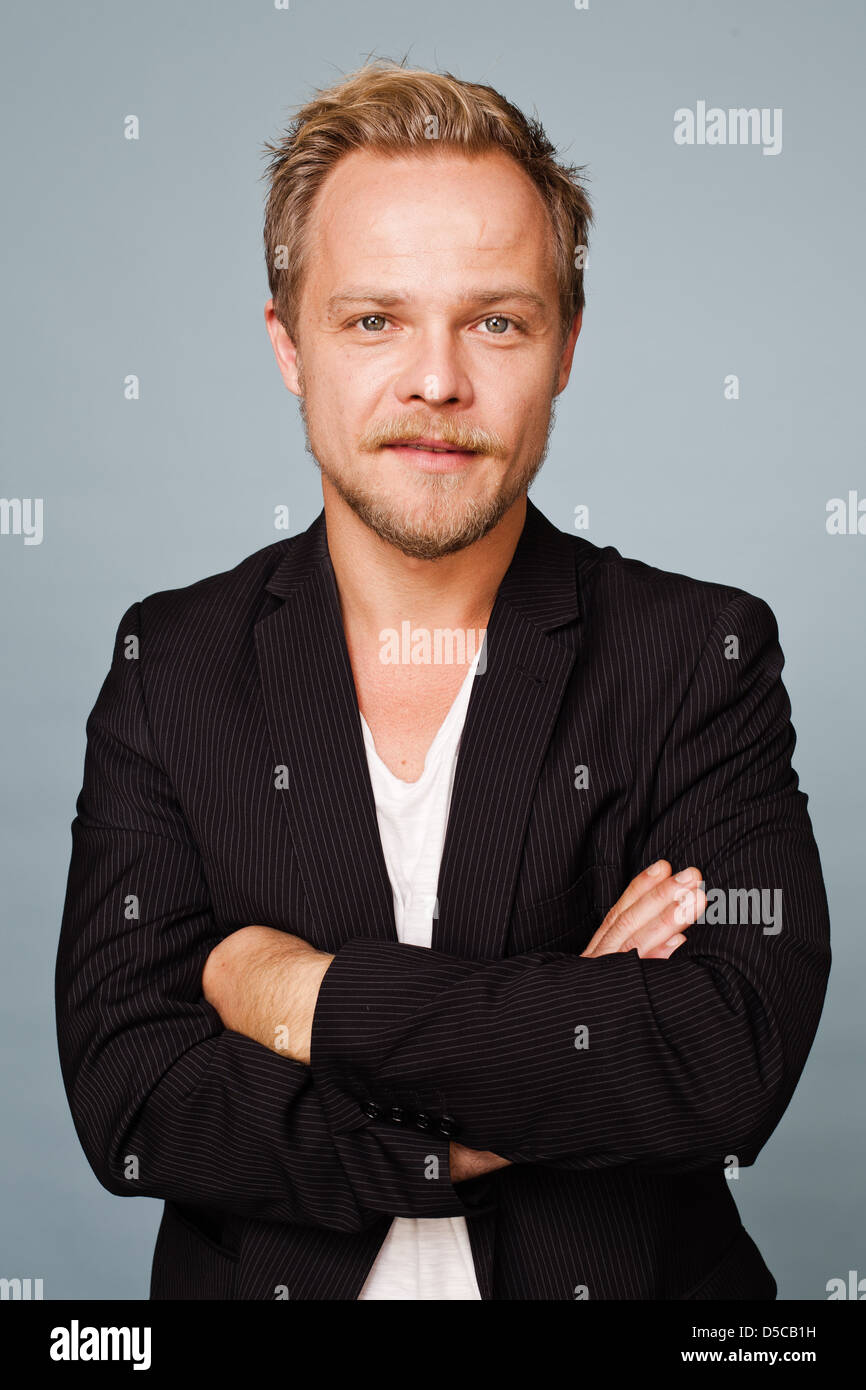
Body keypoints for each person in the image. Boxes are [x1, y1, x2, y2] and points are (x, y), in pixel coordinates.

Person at [55, 58, 831, 1301]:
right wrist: (517, 1079)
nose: (436, 382)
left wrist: (298, 994)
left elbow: (721, 1061)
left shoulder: (700, 654)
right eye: (373, 319)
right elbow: (132, 1090)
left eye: (496, 320)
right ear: (287, 344)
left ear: (566, 345)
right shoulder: (172, 663)